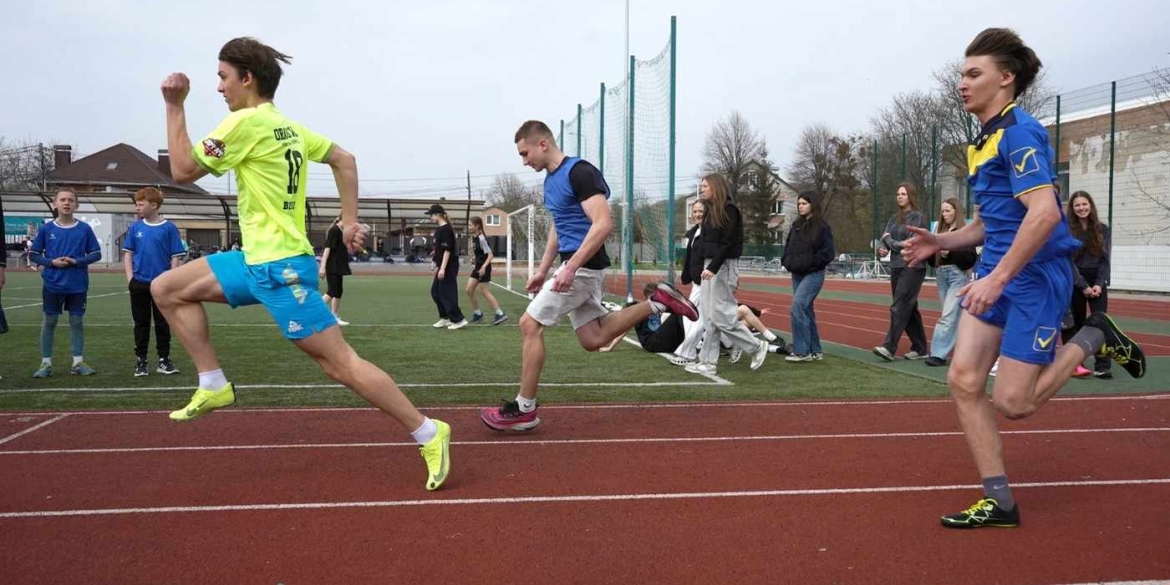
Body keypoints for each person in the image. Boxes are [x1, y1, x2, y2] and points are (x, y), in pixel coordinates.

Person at [155, 37, 450, 490]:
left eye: (223, 77)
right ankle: (213, 382)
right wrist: (348, 221)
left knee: (340, 365)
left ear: (247, 78)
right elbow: (343, 158)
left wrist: (174, 105)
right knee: (167, 288)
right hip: (254, 260)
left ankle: (429, 432)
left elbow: (180, 170)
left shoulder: (243, 123)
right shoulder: (287, 128)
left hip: (280, 270)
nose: (218, 88)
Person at [901, 28, 1146, 529]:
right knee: (964, 380)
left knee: (1014, 402)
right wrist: (942, 243)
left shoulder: (1020, 133)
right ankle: (1000, 501)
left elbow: (1043, 216)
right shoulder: (983, 141)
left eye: (974, 74)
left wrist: (998, 278)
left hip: (1033, 278)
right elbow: (992, 220)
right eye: (961, 75)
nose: (962, 84)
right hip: (997, 272)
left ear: (1006, 79)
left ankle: (1097, 333)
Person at [480, 120, 697, 431]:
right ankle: (657, 303)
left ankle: (524, 408)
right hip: (575, 263)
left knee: (529, 324)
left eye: (525, 153)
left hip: (583, 264)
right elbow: (560, 224)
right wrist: (543, 269)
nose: (524, 161)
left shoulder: (580, 172)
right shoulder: (550, 182)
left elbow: (603, 223)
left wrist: (570, 267)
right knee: (592, 338)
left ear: (543, 143)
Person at [685, 173, 769, 376]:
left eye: (705, 186)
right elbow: (706, 243)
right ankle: (707, 362)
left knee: (722, 315)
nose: (702, 189)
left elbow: (727, 243)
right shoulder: (710, 211)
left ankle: (756, 346)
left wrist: (713, 267)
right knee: (709, 317)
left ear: (715, 187)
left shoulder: (729, 210)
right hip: (710, 266)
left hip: (722, 267)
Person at [30, 188, 101, 378]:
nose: (67, 203)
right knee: (49, 322)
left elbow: (96, 253)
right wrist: (51, 262)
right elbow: (34, 254)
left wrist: (77, 261)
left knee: (76, 322)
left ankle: (78, 362)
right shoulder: (46, 229)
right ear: (55, 203)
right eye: (63, 199)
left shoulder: (84, 229)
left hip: (78, 284)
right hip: (53, 284)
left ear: (76, 205)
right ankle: (46, 364)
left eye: (71, 200)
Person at [123, 187, 187, 377]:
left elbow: (175, 257)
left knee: (163, 323)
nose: (137, 207)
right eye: (136, 204)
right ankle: (141, 361)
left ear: (154, 205)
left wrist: (171, 281)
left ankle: (164, 360)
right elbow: (128, 254)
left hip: (162, 286)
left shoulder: (169, 228)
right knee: (141, 323)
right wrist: (130, 279)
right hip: (139, 283)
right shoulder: (136, 228)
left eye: (140, 204)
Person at [874, 182, 930, 361]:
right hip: (896, 266)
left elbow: (909, 245)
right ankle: (920, 348)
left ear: (910, 196)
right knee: (909, 308)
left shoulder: (918, 218)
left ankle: (889, 347)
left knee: (899, 306)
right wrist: (881, 249)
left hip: (913, 266)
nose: (899, 196)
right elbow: (884, 241)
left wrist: (889, 241)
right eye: (898, 193)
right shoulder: (893, 219)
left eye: (903, 194)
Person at [781, 191, 835, 363]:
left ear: (813, 205)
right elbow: (789, 246)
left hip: (813, 273)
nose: (800, 206)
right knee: (806, 311)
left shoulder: (822, 227)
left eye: (804, 203)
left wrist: (811, 263)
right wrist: (787, 261)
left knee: (798, 306)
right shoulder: (796, 226)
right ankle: (815, 350)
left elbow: (827, 253)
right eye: (799, 204)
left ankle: (801, 351)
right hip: (797, 272)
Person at [1063, 191, 1112, 379]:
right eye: (1077, 205)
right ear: (1072, 209)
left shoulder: (1103, 229)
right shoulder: (1067, 230)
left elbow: (1105, 260)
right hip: (1075, 281)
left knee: (1100, 322)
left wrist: (1099, 284)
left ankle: (1103, 365)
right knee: (1076, 323)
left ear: (1090, 205)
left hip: (1096, 282)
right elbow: (1068, 262)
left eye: (1085, 204)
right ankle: (1076, 364)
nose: (1081, 208)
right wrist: (1083, 286)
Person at [924, 198, 977, 367]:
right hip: (941, 275)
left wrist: (950, 253)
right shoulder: (939, 232)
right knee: (956, 317)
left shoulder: (963, 232)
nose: (944, 214)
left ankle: (938, 354)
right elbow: (932, 261)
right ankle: (968, 351)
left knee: (947, 316)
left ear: (956, 211)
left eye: (948, 211)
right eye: (943, 211)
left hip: (957, 276)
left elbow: (970, 258)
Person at [670, 199, 710, 366]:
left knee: (695, 316)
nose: (697, 214)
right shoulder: (694, 232)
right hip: (696, 281)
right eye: (694, 211)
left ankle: (687, 353)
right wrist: (686, 274)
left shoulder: (708, 233)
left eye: (700, 211)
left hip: (706, 281)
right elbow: (690, 257)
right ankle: (734, 343)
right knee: (696, 316)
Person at [427, 204, 467, 330]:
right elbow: (440, 248)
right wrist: (435, 255)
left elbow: (447, 250)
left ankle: (459, 320)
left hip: (449, 266)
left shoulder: (446, 229)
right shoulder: (440, 230)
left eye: (431, 215)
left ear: (437, 214)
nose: (430, 217)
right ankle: (445, 318)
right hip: (443, 265)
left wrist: (443, 268)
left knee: (447, 293)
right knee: (435, 292)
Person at [466, 216, 507, 325]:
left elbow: (490, 255)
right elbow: (481, 253)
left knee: (484, 291)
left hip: (484, 268)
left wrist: (483, 267)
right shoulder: (474, 237)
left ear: (477, 226)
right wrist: (475, 259)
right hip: (478, 267)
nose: (468, 227)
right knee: (469, 290)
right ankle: (478, 314)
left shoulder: (481, 238)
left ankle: (500, 313)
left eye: (470, 225)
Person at [318, 217, 351, 326]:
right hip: (332, 266)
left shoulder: (342, 231)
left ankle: (334, 316)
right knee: (332, 291)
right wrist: (322, 267)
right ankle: (312, 313)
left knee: (338, 291)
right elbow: (327, 249)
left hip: (339, 266)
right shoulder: (334, 230)